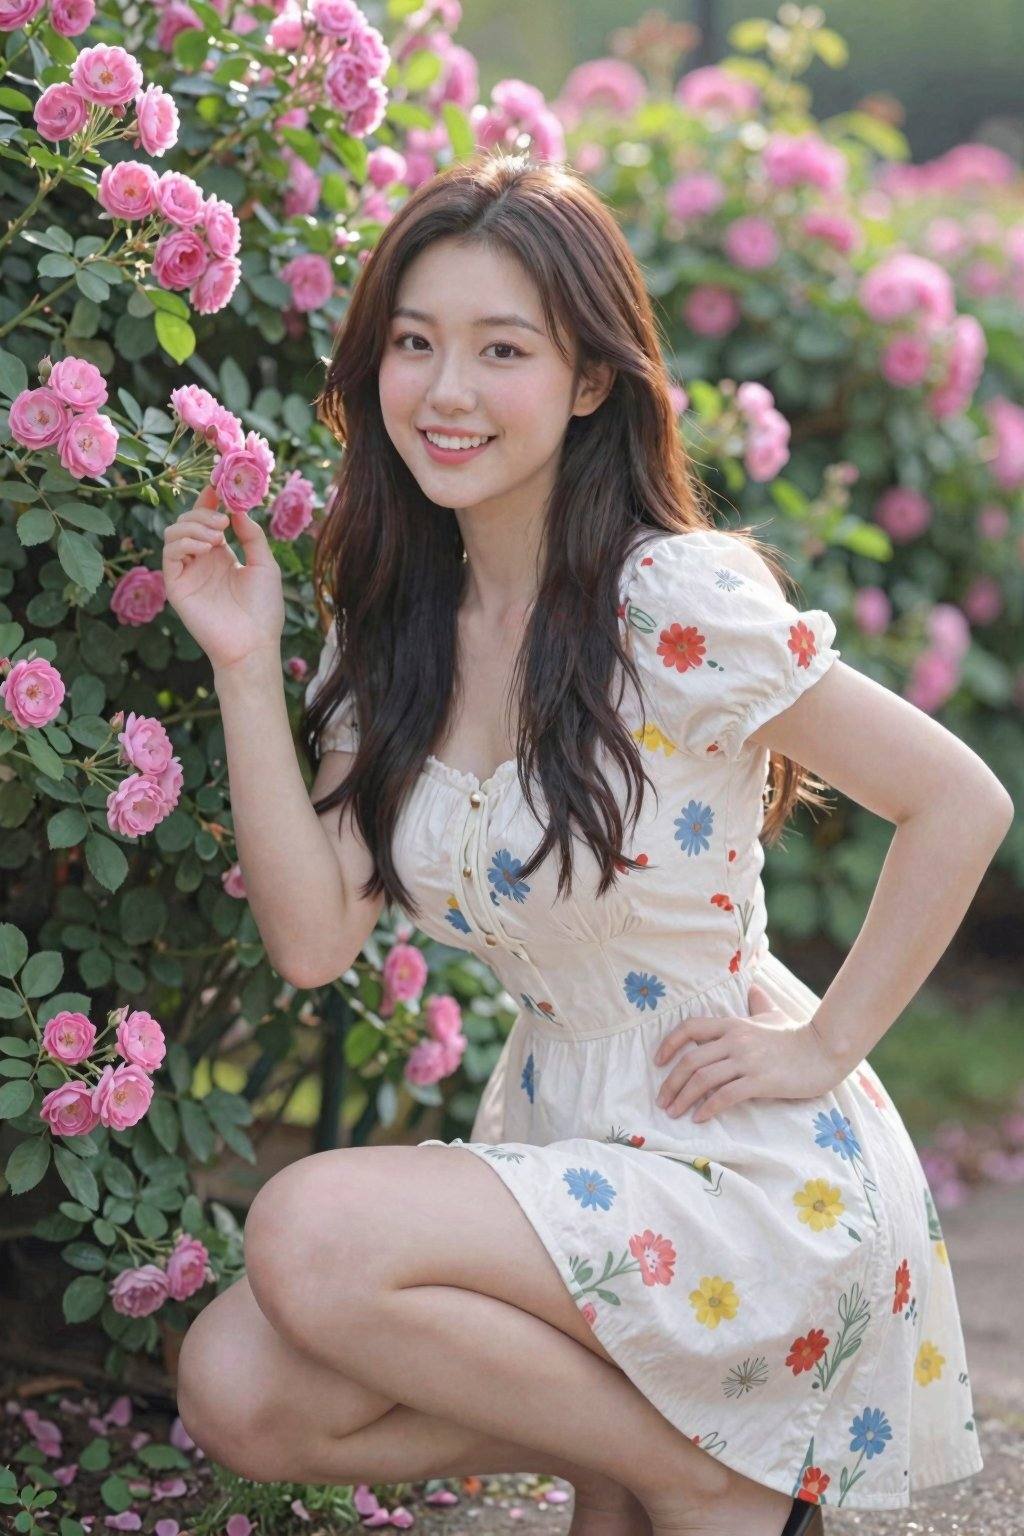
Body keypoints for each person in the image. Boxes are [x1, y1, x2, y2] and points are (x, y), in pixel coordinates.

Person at [165, 152, 1009, 1536]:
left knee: (309, 1230)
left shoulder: (670, 601)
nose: (445, 392)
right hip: (570, 1142)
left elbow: (960, 800)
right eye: (416, 344)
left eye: (501, 350)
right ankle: (691, 1471)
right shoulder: (396, 637)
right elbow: (316, 939)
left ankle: (690, 1483)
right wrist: (248, 667)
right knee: (240, 1385)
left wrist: (820, 1047)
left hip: (740, 1165)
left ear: (588, 380)